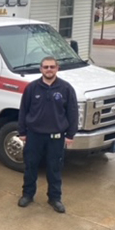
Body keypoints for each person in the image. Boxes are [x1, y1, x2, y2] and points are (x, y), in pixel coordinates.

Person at [17, 56, 78, 214]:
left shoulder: (66, 89)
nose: (49, 70)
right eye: (46, 67)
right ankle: (27, 195)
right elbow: (23, 110)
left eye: (52, 67)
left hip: (56, 137)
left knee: (54, 168)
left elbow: (72, 113)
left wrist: (70, 134)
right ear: (41, 69)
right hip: (34, 135)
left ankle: (55, 198)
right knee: (30, 166)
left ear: (57, 68)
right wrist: (22, 132)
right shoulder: (32, 88)